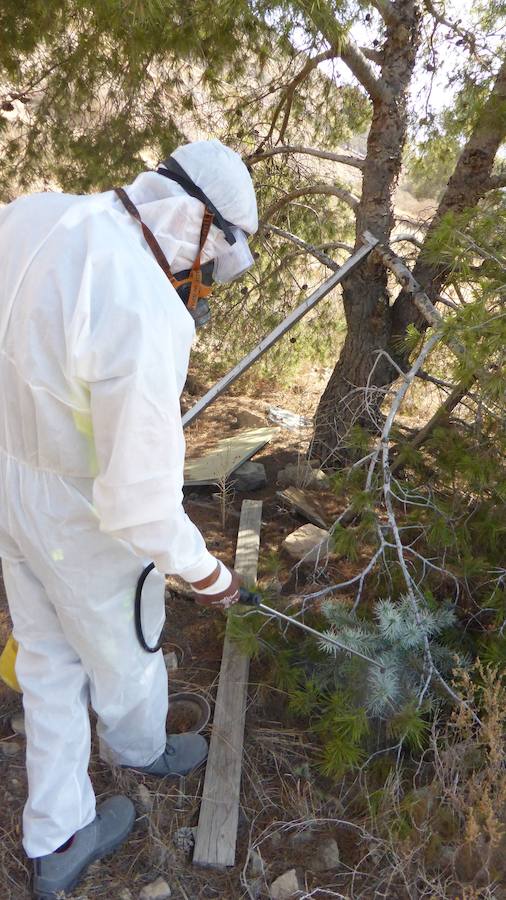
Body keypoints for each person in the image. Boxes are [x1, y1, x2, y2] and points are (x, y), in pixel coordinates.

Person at [0, 139, 258, 899]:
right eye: (210, 264)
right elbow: (140, 501)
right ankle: (140, 750)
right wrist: (208, 575)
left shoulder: (44, 214)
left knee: (47, 654)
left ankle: (58, 833)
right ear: (199, 225)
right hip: (85, 516)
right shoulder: (143, 306)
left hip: (13, 482)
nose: (203, 283)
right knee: (129, 653)